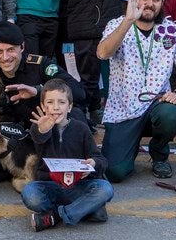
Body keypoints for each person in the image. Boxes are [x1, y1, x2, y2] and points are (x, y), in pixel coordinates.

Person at [96, 0, 176, 183]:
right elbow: (103, 53)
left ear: (162, 3)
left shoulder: (171, 30)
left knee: (171, 114)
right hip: (122, 110)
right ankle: (128, 147)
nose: (149, 4)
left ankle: (159, 152)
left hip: (156, 105)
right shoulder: (117, 24)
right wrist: (128, 20)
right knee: (114, 172)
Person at [21, 78, 112, 231]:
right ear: (43, 106)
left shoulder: (81, 128)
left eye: (61, 102)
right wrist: (43, 130)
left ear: (69, 107)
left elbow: (100, 159)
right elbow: (38, 138)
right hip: (51, 186)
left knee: (105, 189)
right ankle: (84, 210)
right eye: (50, 102)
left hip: (78, 185)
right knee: (30, 193)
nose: (56, 107)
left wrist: (93, 164)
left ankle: (56, 215)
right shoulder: (39, 126)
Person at [59, 0, 122, 126]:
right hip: (90, 31)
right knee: (89, 77)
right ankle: (85, 115)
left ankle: (92, 111)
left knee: (90, 76)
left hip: (86, 31)